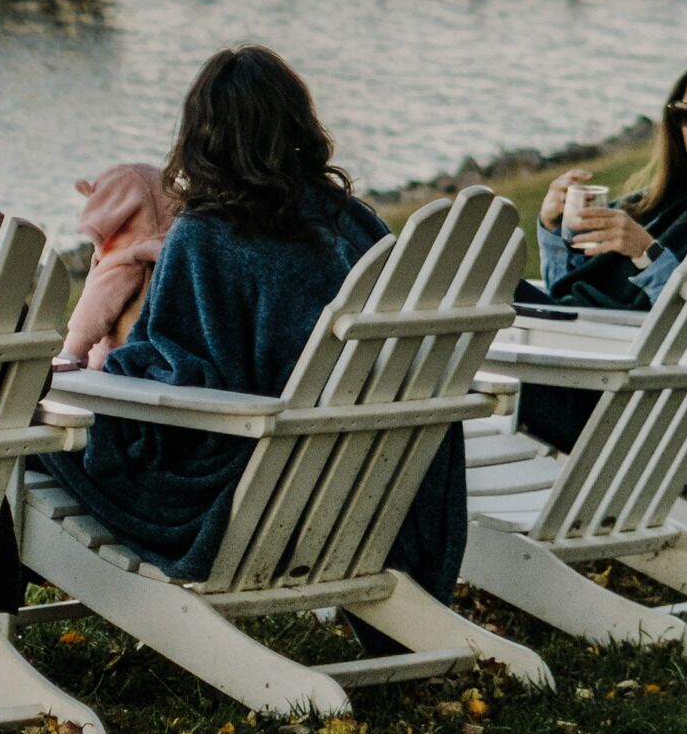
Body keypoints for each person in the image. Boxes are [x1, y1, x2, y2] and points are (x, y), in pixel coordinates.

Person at [27, 45, 468, 598]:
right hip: (364, 483)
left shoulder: (206, 234)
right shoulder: (354, 222)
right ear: (299, 125)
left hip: (240, 487)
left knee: (28, 431)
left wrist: (87, 375)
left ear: (200, 138)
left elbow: (176, 376)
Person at [517, 49, 687, 496]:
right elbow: (572, 295)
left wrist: (646, 252)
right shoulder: (663, 204)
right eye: (684, 112)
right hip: (598, 365)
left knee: (478, 302)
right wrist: (554, 231)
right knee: (487, 294)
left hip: (631, 400)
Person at [56, 160, 179, 369]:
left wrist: (71, 352)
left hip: (114, 365)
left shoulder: (126, 260)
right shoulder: (176, 255)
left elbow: (94, 311)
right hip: (164, 363)